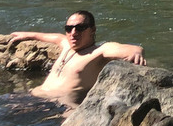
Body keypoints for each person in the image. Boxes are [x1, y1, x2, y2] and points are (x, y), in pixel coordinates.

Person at [10, 10, 146, 107]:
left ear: (92, 30)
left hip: (60, 106)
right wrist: (28, 34)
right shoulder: (66, 45)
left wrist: (136, 52)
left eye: (80, 28)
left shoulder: (99, 51)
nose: (73, 33)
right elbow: (54, 37)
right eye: (69, 28)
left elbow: (129, 48)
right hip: (33, 97)